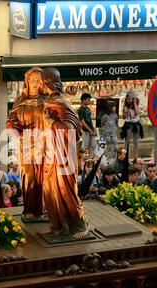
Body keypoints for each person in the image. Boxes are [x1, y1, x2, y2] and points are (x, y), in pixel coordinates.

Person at [41, 67, 89, 238]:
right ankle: (60, 226)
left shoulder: (61, 102)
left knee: (65, 189)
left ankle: (79, 223)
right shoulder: (49, 100)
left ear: (47, 82)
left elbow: (73, 127)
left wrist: (52, 122)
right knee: (50, 189)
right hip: (51, 152)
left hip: (63, 154)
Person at [6, 67, 45, 220]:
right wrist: (17, 138)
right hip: (26, 143)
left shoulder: (47, 100)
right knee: (29, 178)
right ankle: (30, 208)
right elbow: (11, 122)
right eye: (32, 80)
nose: (35, 83)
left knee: (44, 178)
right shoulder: (20, 101)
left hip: (44, 142)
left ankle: (43, 208)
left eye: (38, 80)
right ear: (27, 82)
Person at [121, 92, 143, 158]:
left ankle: (135, 157)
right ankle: (125, 156)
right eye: (127, 99)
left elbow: (137, 113)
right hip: (128, 124)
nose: (129, 100)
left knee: (136, 142)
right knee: (126, 141)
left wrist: (135, 103)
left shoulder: (137, 105)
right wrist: (125, 112)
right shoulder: (125, 106)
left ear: (134, 99)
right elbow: (124, 117)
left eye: (130, 99)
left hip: (136, 124)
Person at [78, 93, 97, 157]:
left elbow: (89, 119)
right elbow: (82, 122)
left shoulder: (88, 108)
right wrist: (90, 130)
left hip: (90, 130)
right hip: (85, 131)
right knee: (85, 146)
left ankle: (90, 160)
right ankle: (83, 162)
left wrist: (93, 128)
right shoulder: (80, 110)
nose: (89, 101)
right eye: (88, 100)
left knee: (93, 145)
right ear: (83, 100)